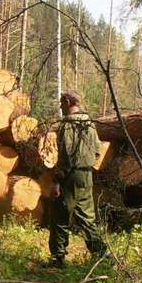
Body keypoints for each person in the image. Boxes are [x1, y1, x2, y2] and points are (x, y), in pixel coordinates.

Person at [48, 91, 109, 267]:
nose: (60, 106)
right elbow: (98, 149)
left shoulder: (67, 125)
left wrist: (57, 180)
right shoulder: (89, 124)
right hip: (86, 175)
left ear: (68, 102)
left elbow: (66, 155)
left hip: (70, 176)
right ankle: (102, 254)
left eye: (61, 103)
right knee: (87, 217)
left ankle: (57, 259)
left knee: (59, 216)